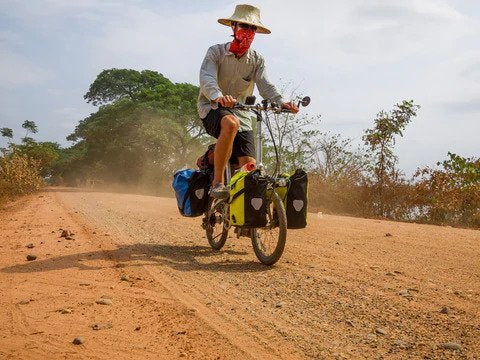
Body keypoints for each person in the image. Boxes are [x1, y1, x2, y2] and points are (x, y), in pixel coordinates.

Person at [198, 4, 298, 199]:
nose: (249, 32)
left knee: (249, 167)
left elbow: (265, 84)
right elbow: (206, 78)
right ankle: (217, 182)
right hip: (212, 108)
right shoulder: (215, 52)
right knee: (230, 123)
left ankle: (245, 222)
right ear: (233, 27)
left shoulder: (256, 60)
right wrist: (218, 95)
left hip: (242, 113)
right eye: (244, 26)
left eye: (253, 28)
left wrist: (281, 102)